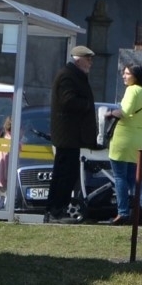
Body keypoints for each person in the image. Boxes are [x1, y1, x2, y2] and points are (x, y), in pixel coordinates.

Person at [46, 45, 96, 223]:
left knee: (67, 174)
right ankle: (55, 211)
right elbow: (68, 101)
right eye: (88, 59)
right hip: (67, 136)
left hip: (72, 137)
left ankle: (56, 210)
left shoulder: (76, 75)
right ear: (78, 59)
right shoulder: (68, 75)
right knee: (64, 175)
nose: (90, 62)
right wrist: (87, 104)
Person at [103, 63, 142, 223]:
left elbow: (124, 112)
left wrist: (108, 113)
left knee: (119, 176)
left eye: (127, 74)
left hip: (123, 138)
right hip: (138, 139)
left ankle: (122, 212)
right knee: (133, 177)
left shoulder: (132, 90)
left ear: (135, 76)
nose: (124, 76)